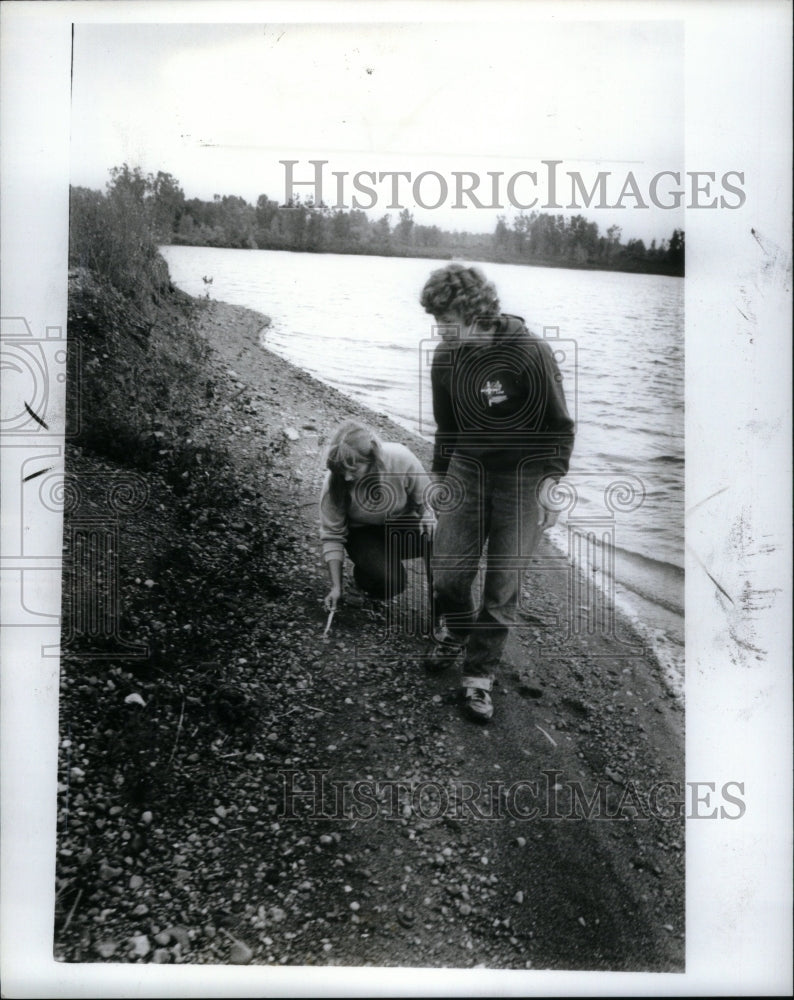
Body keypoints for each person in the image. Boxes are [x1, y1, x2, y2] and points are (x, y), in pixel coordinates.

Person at [420, 263, 575, 723]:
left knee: (502, 587)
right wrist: (439, 476)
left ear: (473, 312)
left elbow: (559, 426)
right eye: (435, 320)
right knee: (447, 575)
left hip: (524, 479)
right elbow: (446, 427)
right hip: (467, 469)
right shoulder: (446, 356)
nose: (439, 329)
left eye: (446, 320)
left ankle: (479, 674)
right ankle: (457, 629)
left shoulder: (530, 352)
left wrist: (551, 481)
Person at [320, 420, 435, 612]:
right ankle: (365, 579)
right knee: (393, 581)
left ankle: (441, 608)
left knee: (438, 536)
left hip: (399, 525)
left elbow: (425, 500)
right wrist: (336, 588)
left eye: (354, 469)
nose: (347, 477)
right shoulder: (334, 484)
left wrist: (428, 514)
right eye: (342, 471)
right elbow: (332, 536)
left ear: (372, 460)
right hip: (361, 534)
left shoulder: (401, 459)